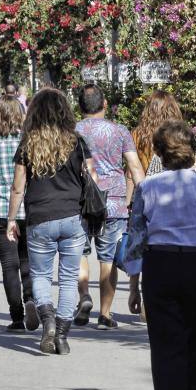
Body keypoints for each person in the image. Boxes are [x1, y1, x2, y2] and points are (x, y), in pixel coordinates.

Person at [124, 120, 196, 390]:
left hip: (160, 266)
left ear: (160, 154)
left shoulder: (147, 187)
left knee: (165, 345)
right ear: (193, 151)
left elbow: (136, 238)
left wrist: (133, 285)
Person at [6, 88, 95, 356]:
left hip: (40, 218)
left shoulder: (28, 143)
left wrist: (12, 219)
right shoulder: (77, 142)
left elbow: (18, 187)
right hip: (72, 217)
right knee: (68, 279)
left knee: (41, 275)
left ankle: (48, 326)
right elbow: (92, 178)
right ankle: (64, 336)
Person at [74, 84, 145, 330]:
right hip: (113, 204)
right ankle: (105, 315)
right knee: (108, 260)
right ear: (104, 105)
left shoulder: (73, 132)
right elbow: (135, 168)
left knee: (79, 254)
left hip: (80, 203)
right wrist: (144, 199)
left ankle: (84, 297)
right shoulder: (120, 131)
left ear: (80, 107)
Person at [0, 96, 37, 333]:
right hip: (27, 209)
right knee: (27, 262)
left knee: (8, 265)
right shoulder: (28, 141)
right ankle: (31, 298)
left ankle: (17, 317)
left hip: (0, 211)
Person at [132, 90, 196, 176]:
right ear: (174, 109)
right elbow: (192, 162)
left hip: (148, 184)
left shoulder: (137, 134)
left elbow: (133, 167)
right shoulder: (181, 134)